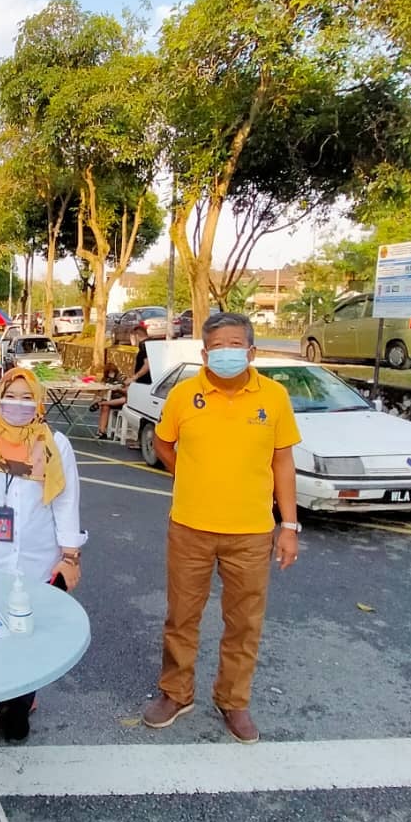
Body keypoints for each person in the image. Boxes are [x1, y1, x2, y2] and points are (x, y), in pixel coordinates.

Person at [142, 312, 300, 745]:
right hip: (190, 527)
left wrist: (288, 525)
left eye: (236, 344)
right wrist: (189, 476)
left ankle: (233, 700)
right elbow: (163, 443)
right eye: (218, 346)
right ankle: (176, 693)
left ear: (251, 350)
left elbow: (282, 461)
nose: (226, 352)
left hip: (251, 532)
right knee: (181, 617)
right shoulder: (184, 395)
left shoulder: (274, 397)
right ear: (205, 352)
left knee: (244, 622)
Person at [0, 368, 87, 743]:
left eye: (27, 398)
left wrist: (70, 557)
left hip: (38, 560)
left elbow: (66, 502)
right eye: (11, 395)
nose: (18, 405)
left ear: (38, 402)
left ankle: (21, 703)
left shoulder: (55, 444)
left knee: (28, 637)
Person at [93, 328, 152, 440]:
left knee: (119, 402)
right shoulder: (153, 345)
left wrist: (134, 377)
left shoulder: (144, 347)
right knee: (109, 403)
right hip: (143, 386)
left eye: (131, 338)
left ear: (135, 336)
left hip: (142, 386)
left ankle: (101, 408)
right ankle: (102, 430)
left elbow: (147, 365)